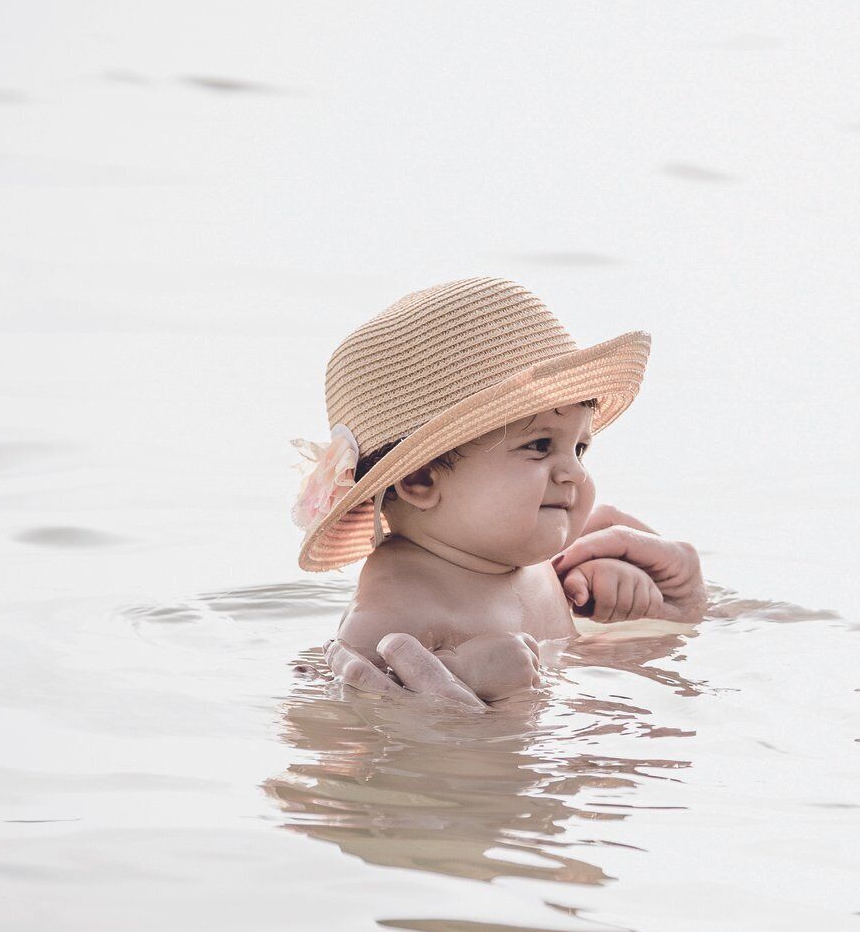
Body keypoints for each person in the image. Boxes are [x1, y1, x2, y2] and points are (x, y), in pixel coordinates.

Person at [292, 278, 706, 709]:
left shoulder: (540, 570)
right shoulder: (393, 616)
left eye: (580, 448)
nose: (574, 473)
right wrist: (473, 717)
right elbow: (351, 745)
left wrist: (652, 616)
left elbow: (565, 667)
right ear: (420, 481)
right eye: (540, 446)